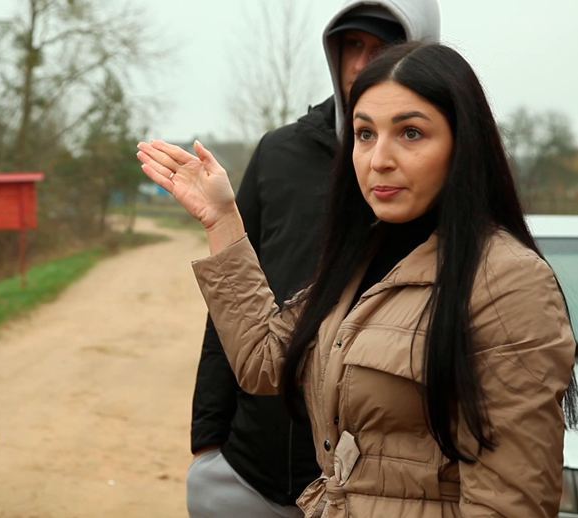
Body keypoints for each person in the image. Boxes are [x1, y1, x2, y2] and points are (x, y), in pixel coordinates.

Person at [138, 42, 578, 517]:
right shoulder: (359, 260)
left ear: (463, 144)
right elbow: (263, 360)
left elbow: (508, 504)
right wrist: (222, 220)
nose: (379, 159)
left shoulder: (508, 284)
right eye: (365, 134)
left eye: (411, 133)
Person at [188, 1, 439, 516]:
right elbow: (231, 303)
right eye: (352, 46)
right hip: (248, 468)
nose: (361, 64)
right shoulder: (279, 153)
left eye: (382, 47)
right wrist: (208, 440)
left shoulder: (442, 181)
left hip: (368, 491)